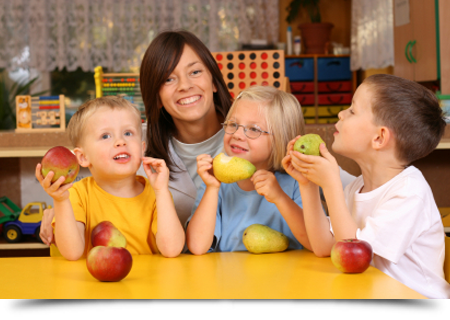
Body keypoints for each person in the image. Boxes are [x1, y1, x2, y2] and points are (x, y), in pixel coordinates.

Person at [283, 74, 450, 299]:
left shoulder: (409, 193)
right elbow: (324, 247)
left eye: (352, 111)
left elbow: (356, 260)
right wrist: (309, 184)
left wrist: (331, 185)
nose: (341, 114)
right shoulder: (357, 188)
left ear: (379, 138)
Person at [35, 96, 185, 260]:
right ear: (83, 157)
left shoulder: (157, 195)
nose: (120, 141)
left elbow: (172, 249)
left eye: (128, 133)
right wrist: (61, 201)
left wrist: (162, 191)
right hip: (94, 284)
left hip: (147, 283)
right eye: (106, 136)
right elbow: (72, 253)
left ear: (142, 148)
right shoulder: (76, 194)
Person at [186, 86, 313, 254]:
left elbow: (314, 242)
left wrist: (280, 198)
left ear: (281, 139)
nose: (237, 134)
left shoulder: (299, 182)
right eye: (233, 124)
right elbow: (197, 246)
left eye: (254, 129)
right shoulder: (215, 184)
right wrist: (211, 188)